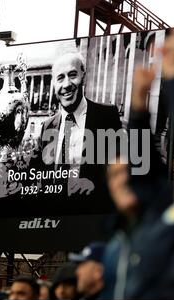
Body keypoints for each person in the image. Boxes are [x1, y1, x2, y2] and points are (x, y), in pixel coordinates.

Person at [39, 52, 122, 197]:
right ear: (53, 84)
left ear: (84, 76)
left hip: (92, 212)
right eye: (60, 78)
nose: (66, 84)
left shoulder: (107, 116)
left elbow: (122, 173)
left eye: (72, 75)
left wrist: (94, 185)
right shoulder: (47, 126)